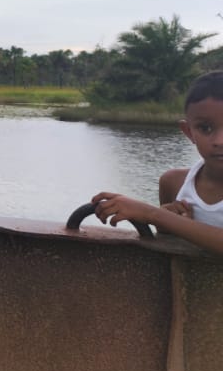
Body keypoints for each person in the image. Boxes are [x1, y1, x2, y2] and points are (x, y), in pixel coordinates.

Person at [92, 71, 223, 256]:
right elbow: (167, 239)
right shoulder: (174, 183)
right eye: (205, 128)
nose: (219, 140)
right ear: (189, 132)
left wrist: (152, 214)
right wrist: (170, 222)